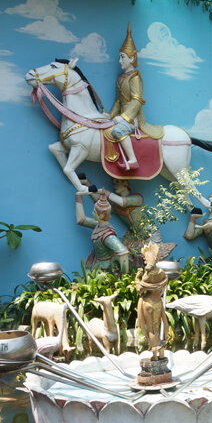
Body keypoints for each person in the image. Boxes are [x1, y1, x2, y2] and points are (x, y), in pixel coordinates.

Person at [109, 23, 164, 169]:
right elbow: (118, 101)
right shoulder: (121, 78)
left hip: (132, 118)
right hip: (121, 116)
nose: (120, 61)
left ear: (132, 58)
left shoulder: (135, 77)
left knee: (117, 131)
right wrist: (110, 115)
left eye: (122, 57)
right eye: (119, 58)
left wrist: (125, 117)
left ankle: (133, 160)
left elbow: (137, 99)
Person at [75, 190, 129, 274]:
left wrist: (125, 276)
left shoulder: (107, 235)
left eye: (94, 212)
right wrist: (78, 196)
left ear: (100, 216)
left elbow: (123, 252)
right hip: (97, 265)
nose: (92, 213)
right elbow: (81, 219)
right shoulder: (98, 225)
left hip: (107, 271)